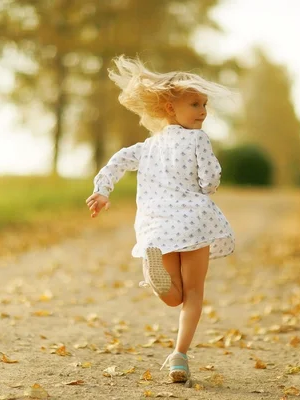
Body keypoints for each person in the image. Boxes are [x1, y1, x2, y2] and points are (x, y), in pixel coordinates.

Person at [85, 55, 235, 383]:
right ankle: (180, 356)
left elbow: (117, 162)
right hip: (195, 222)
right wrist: (211, 177)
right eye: (195, 104)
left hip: (158, 226)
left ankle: (155, 277)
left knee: (172, 297)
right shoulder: (198, 139)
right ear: (170, 108)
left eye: (205, 105)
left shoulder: (148, 146)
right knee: (192, 294)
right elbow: (210, 181)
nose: (203, 112)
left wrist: (102, 191)